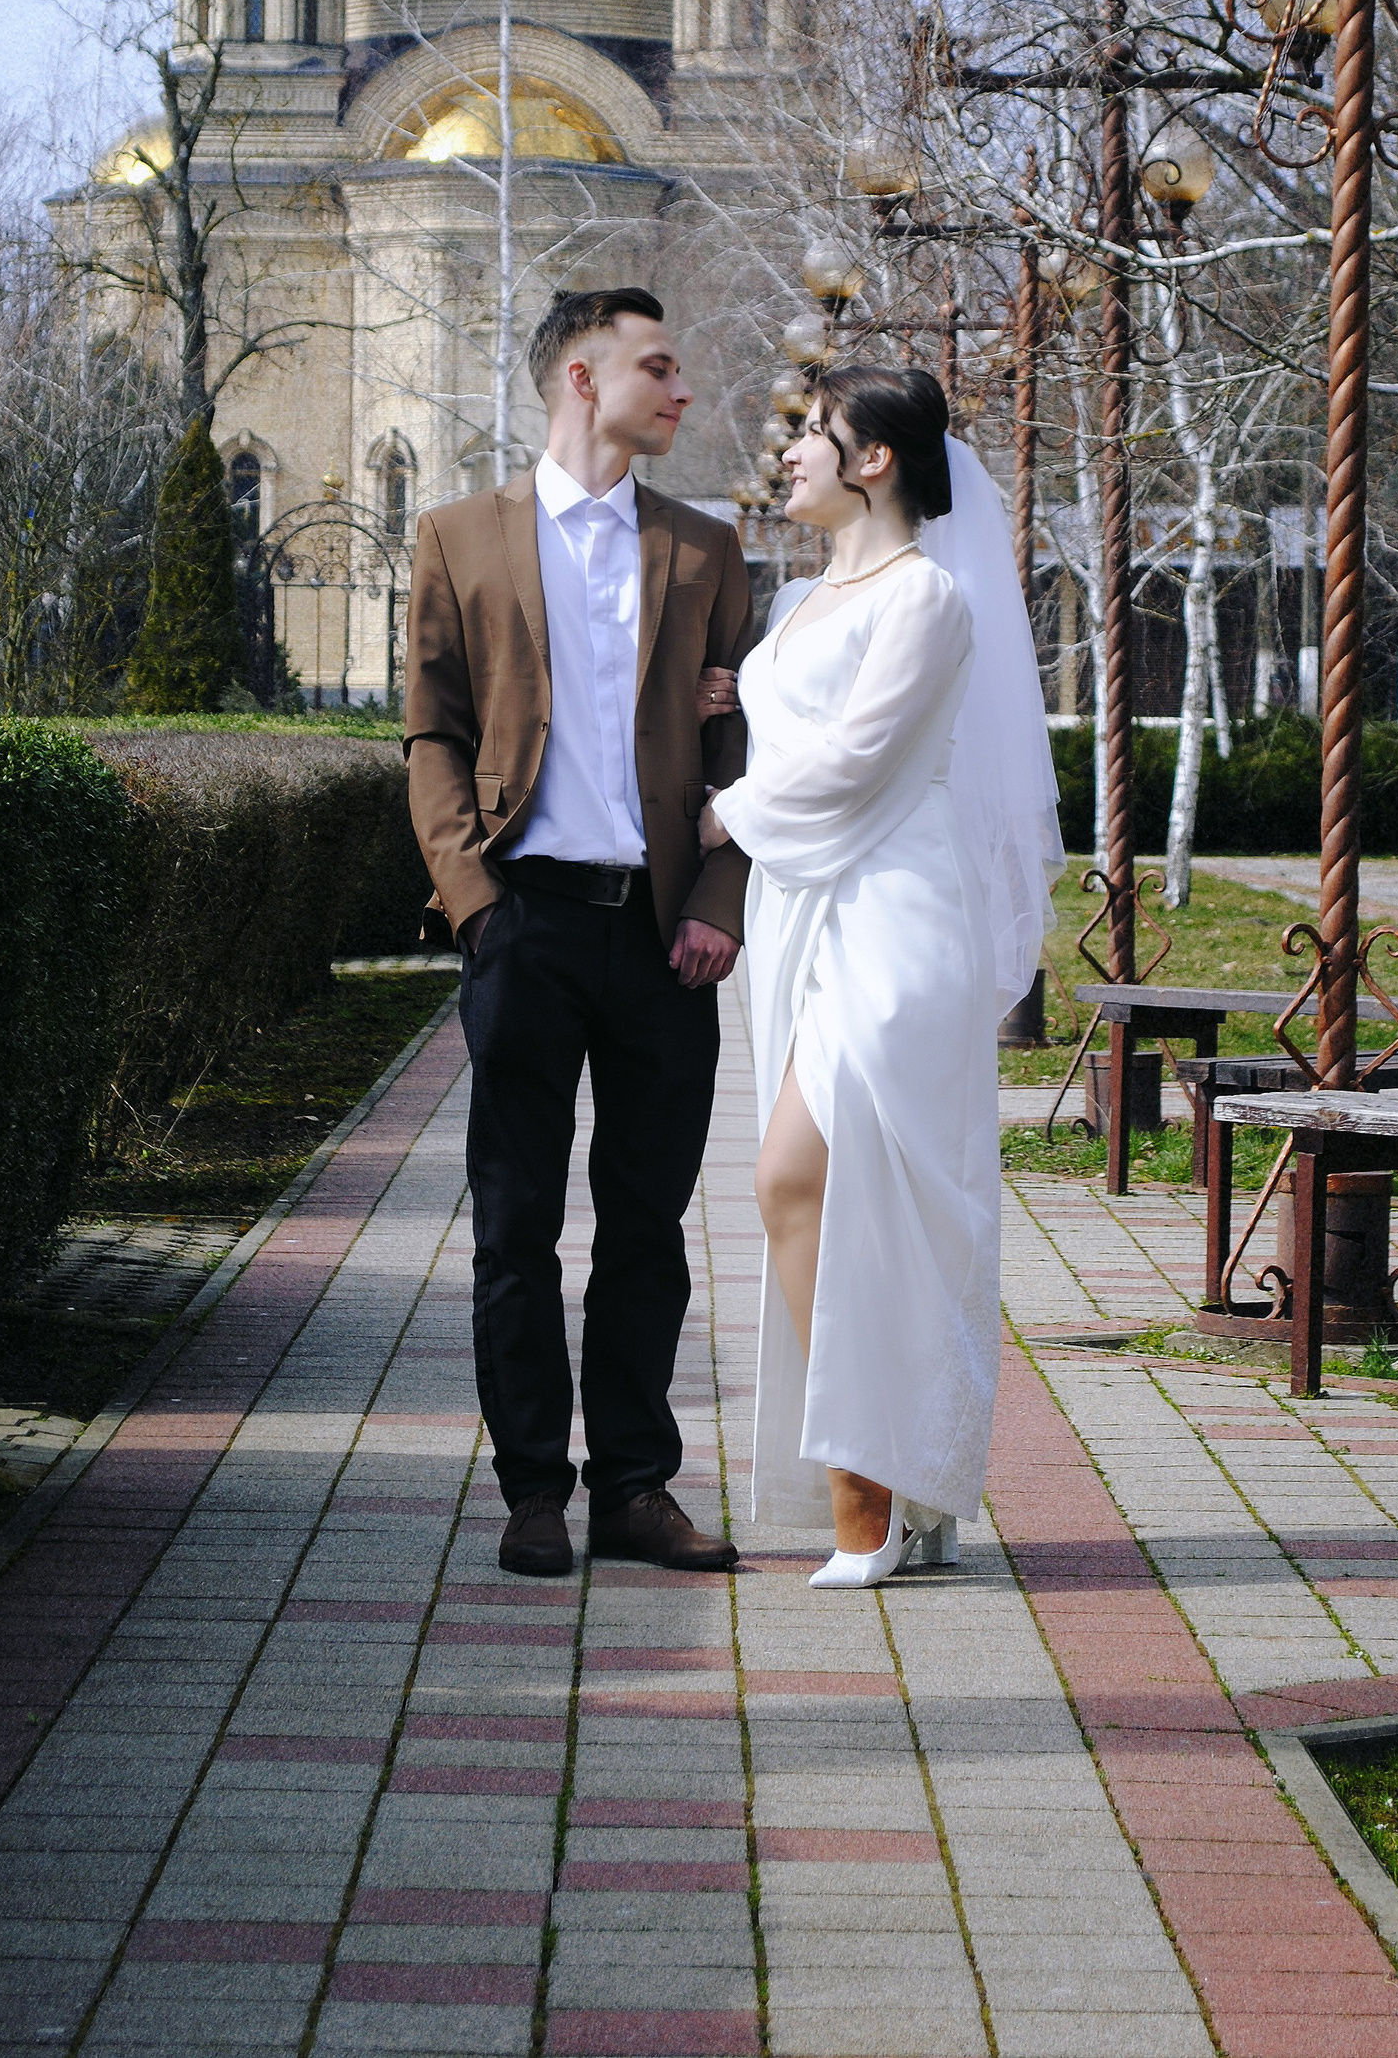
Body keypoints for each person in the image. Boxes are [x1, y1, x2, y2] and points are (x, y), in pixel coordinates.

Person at [404, 287, 753, 1579]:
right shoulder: (460, 537)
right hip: (527, 925)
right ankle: (533, 1492)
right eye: (657, 366)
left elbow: (742, 748)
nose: (681, 390)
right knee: (514, 1226)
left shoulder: (705, 550)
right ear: (581, 378)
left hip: (664, 937)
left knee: (648, 1227)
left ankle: (636, 1489)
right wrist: (476, 906)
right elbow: (431, 732)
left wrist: (717, 904)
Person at [701, 367, 1062, 1585]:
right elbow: (793, 712)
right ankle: (903, 1485)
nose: (791, 451)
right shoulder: (799, 599)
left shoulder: (928, 598)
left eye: (814, 432)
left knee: (819, 1176)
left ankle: (873, 1494)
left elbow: (858, 758)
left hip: (898, 910)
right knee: (817, 1190)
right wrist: (726, 694)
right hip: (804, 905)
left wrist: (724, 813)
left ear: (874, 462)